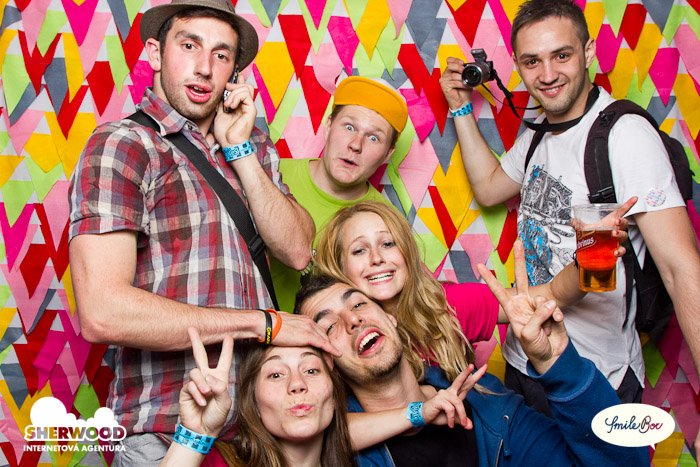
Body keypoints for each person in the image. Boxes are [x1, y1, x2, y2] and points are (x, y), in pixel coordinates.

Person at [68, 0, 338, 463]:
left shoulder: (252, 145)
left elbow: (296, 250)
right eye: (189, 45)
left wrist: (240, 151)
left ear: (234, 72)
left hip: (257, 436)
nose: (204, 68)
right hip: (165, 432)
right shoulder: (125, 145)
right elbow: (102, 312)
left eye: (221, 55)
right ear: (155, 53)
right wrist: (262, 324)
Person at [440, 0, 700, 418]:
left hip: (595, 376)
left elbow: (680, 267)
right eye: (532, 61)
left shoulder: (625, 136)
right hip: (525, 362)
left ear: (588, 52)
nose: (547, 75)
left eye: (561, 55)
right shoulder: (539, 135)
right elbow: (489, 188)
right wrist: (460, 107)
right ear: (518, 66)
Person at [295, 262, 650, 466]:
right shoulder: (334, 454)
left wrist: (560, 366)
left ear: (393, 318)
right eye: (329, 326)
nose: (353, 320)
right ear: (326, 363)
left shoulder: (490, 406)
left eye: (358, 304)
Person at [313, 200, 633, 382]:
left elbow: (553, 295)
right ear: (339, 267)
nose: (376, 258)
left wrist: (594, 255)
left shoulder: (448, 306)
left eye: (387, 243)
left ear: (406, 253)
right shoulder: (334, 336)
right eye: (359, 250)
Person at [271, 76, 407, 311]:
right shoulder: (272, 173)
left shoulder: (385, 222)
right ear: (328, 126)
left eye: (374, 137)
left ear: (387, 154)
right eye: (349, 127)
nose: (356, 144)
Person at [161, 328, 354, 467]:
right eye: (276, 375)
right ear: (254, 402)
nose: (297, 384)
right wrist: (196, 433)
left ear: (334, 394)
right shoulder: (219, 462)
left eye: (311, 370)